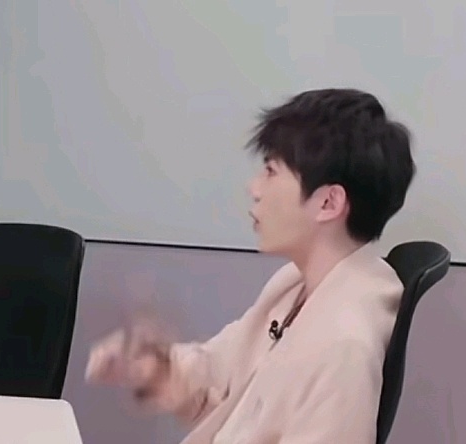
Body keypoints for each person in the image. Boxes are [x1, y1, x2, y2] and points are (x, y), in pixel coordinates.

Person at [86, 88, 415, 443]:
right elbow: (222, 374)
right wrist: (153, 366)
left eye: (271, 171)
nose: (254, 188)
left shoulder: (343, 346)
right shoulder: (298, 284)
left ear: (328, 203)